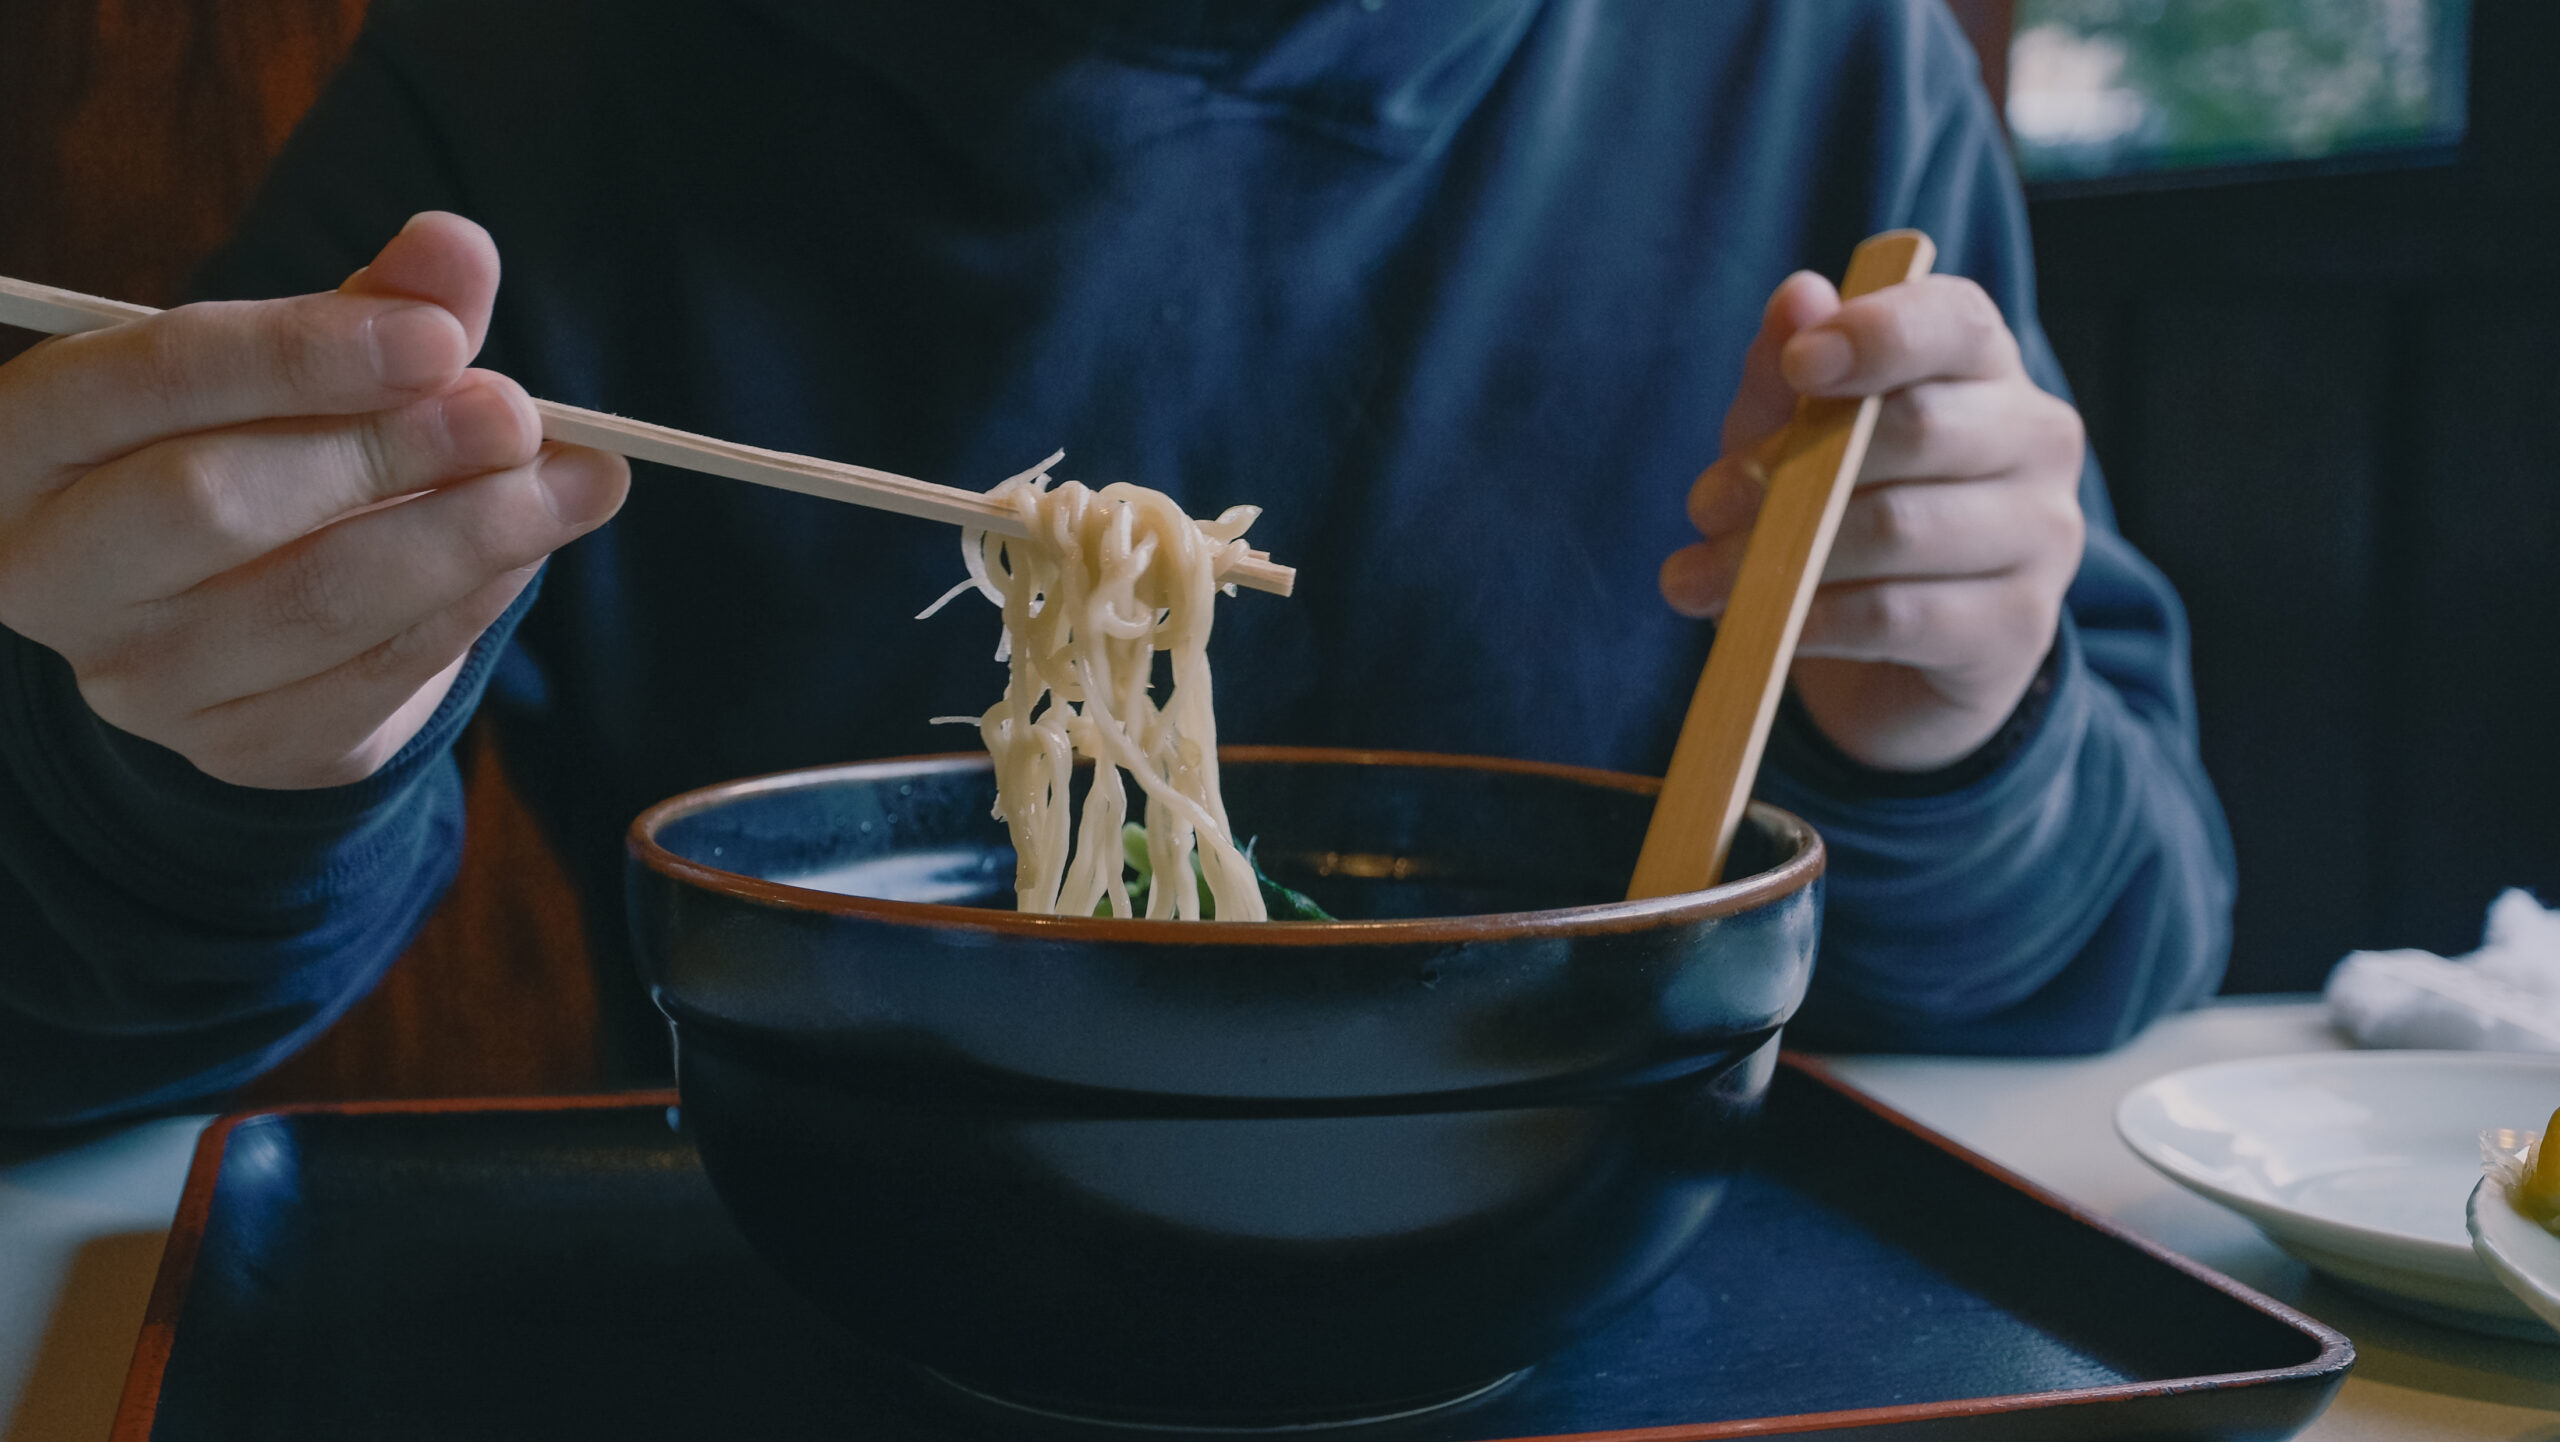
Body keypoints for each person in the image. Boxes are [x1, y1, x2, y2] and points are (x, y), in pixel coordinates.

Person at [0, 0, 2233, 1127]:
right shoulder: (549, 67)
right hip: (846, 1291)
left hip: (1606, 1305)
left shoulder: (1799, 66)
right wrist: (215, 760)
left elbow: (2111, 953)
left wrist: (1951, 730)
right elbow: (59, 1015)